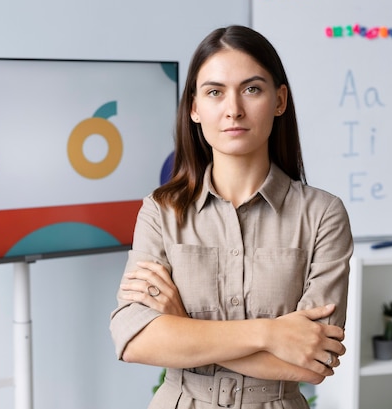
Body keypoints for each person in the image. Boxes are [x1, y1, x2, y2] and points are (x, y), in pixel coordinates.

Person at [109, 25, 353, 409]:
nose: (233, 109)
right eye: (214, 92)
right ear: (194, 107)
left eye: (252, 89)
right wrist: (270, 335)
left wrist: (183, 326)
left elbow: (312, 363)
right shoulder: (160, 210)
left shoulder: (323, 214)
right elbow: (135, 340)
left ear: (279, 100)